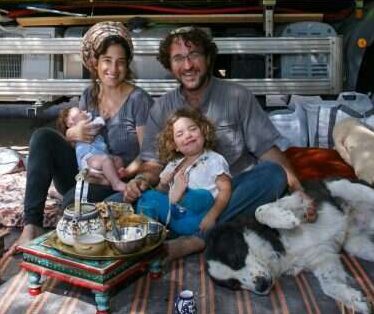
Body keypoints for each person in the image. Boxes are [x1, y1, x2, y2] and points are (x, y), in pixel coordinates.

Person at [124, 26, 302, 261]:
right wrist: (141, 180)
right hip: (182, 201)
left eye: (194, 55)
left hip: (231, 195)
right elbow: (153, 164)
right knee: (114, 202)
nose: (187, 66)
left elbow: (268, 152)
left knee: (272, 174)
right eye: (178, 58)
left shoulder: (237, 96)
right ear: (170, 66)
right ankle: (190, 229)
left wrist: (300, 192)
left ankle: (197, 239)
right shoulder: (162, 108)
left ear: (208, 58)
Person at [14, 21, 152, 250]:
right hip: (84, 173)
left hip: (117, 182)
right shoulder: (89, 95)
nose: (113, 69)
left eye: (120, 62)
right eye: (107, 60)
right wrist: (71, 133)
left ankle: (73, 208)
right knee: (42, 137)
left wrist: (123, 174)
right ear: (94, 63)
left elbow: (148, 155)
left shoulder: (139, 100)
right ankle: (32, 225)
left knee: (70, 207)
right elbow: (79, 145)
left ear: (128, 65)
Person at [136, 108, 232, 236]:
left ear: (203, 132)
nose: (188, 135)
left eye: (193, 129)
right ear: (174, 145)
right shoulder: (173, 164)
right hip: (175, 216)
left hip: (199, 215)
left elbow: (225, 190)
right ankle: (146, 233)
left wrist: (212, 216)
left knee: (204, 196)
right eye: (180, 134)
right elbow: (161, 192)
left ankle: (183, 195)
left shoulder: (214, 160)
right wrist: (163, 184)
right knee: (148, 196)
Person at [56, 106, 128, 192]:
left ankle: (106, 180)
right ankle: (116, 183)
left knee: (118, 160)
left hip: (99, 159)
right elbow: (96, 125)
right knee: (106, 160)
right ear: (71, 123)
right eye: (80, 112)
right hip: (89, 159)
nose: (84, 111)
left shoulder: (79, 128)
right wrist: (102, 118)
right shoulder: (85, 126)